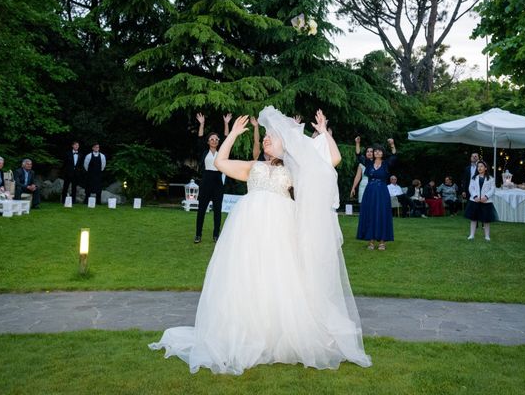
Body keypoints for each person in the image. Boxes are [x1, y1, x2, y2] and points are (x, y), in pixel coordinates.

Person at [149, 107, 371, 374]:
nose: (266, 138)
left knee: (280, 277)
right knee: (248, 277)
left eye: (271, 135)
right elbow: (220, 163)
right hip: (248, 230)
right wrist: (231, 135)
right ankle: (248, 331)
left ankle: (279, 334)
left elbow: (332, 160)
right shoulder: (252, 166)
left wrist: (323, 132)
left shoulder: (296, 168)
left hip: (281, 229)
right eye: (264, 135)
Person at [354, 136, 398, 250]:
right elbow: (359, 156)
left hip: (382, 191)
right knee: (370, 214)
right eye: (375, 151)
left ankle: (382, 242)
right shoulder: (368, 163)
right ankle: (371, 241)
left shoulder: (386, 164)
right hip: (370, 192)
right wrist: (357, 143)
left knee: (382, 214)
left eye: (379, 150)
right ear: (373, 153)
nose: (377, 152)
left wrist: (392, 145)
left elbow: (394, 156)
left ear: (383, 153)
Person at [194, 113, 231, 243]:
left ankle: (216, 235)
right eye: (212, 139)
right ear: (208, 141)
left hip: (218, 181)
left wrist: (226, 123)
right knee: (202, 209)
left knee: (217, 210)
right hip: (206, 180)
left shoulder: (222, 152)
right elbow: (199, 138)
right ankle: (198, 234)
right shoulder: (204, 152)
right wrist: (202, 124)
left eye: (216, 139)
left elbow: (227, 139)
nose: (214, 141)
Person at [465, 160, 498, 241]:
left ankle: (487, 236)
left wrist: (486, 197)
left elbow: (492, 189)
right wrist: (475, 196)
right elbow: (471, 188)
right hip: (474, 201)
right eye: (478, 166)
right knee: (473, 219)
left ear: (485, 168)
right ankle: (472, 235)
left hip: (486, 202)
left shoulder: (490, 178)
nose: (479, 168)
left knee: (486, 220)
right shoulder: (474, 178)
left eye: (481, 166)